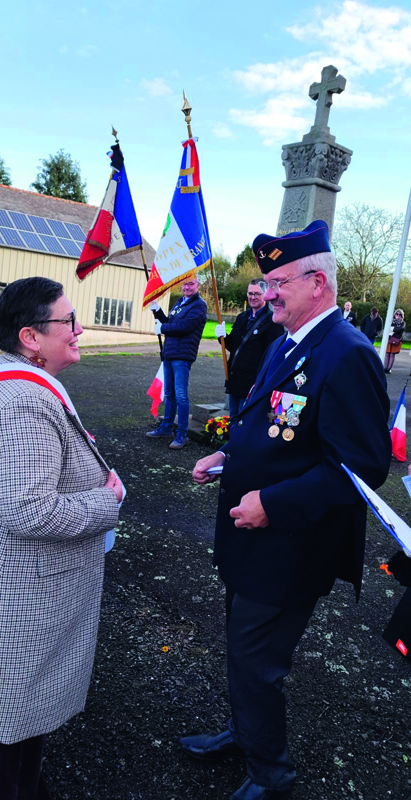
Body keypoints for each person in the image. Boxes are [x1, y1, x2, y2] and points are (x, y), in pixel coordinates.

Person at [181, 220, 391, 800]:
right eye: (267, 283)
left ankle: (271, 776)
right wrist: (226, 455)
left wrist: (272, 504)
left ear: (317, 283)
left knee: (257, 659)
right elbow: (272, 427)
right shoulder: (287, 341)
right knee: (241, 648)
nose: (267, 293)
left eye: (278, 283)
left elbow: (362, 467)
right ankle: (245, 733)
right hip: (253, 539)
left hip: (291, 547)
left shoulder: (347, 354)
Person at [0, 277, 123, 800]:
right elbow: (30, 511)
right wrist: (107, 500)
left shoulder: (3, 378)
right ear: (30, 337)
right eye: (68, 321)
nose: (79, 329)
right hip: (13, 606)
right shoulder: (22, 402)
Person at [146, 275, 207, 449]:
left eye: (191, 284)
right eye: (184, 284)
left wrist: (162, 328)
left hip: (183, 355)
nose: (187, 287)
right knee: (170, 393)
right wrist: (158, 311)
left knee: (181, 395)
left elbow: (185, 327)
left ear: (198, 285)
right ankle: (166, 428)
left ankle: (181, 434)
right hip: (170, 353)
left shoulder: (199, 305)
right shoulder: (180, 302)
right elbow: (170, 322)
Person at [215, 279, 283, 426]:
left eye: (257, 294)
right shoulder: (242, 317)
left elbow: (273, 355)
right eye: (250, 293)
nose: (253, 297)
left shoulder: (272, 322)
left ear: (265, 295)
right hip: (235, 378)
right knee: (234, 418)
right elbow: (233, 346)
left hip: (252, 382)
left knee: (245, 421)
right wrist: (222, 337)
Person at [384, 308, 405, 373]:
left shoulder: (402, 323)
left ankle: (389, 369)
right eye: (397, 314)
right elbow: (388, 327)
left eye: (400, 314)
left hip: (396, 340)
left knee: (392, 354)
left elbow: (399, 330)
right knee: (387, 353)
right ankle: (385, 368)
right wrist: (394, 329)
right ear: (394, 315)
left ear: (402, 316)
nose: (398, 316)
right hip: (389, 339)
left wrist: (392, 329)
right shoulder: (391, 321)